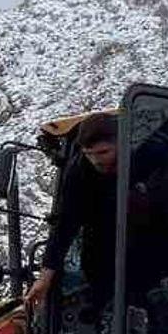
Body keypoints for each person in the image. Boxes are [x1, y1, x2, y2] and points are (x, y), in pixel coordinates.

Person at [24, 113, 120, 313]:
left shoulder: (146, 157)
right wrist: (44, 279)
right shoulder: (78, 173)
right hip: (103, 249)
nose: (96, 161)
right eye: (89, 154)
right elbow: (64, 226)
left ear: (121, 144)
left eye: (102, 152)